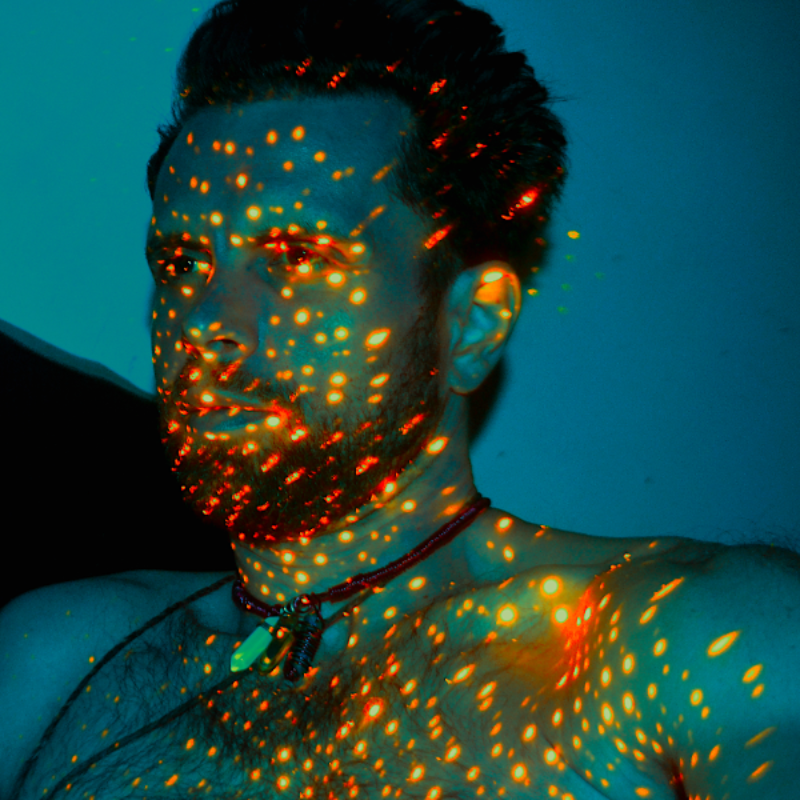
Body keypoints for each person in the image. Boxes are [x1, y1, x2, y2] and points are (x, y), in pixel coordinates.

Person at [1, 0, 797, 798]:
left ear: (471, 324)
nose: (208, 320)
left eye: (297, 256)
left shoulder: (693, 638)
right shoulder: (58, 657)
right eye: (182, 262)